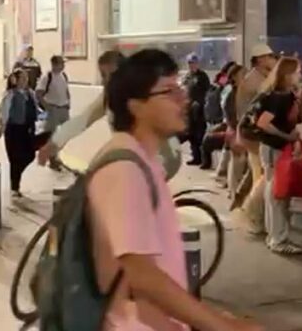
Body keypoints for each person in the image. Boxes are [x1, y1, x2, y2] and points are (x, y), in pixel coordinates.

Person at [87, 49, 262, 331]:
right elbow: (140, 275)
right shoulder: (124, 170)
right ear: (136, 106)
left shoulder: (144, 162)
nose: (184, 98)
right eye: (168, 91)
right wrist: (219, 325)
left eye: (179, 87)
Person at [37, 50, 184, 180]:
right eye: (103, 75)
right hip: (139, 155)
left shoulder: (139, 95)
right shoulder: (109, 96)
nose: (107, 80)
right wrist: (54, 143)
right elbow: (83, 120)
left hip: (163, 156)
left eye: (112, 74)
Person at [253, 56, 302, 255]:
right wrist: (287, 136)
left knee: (276, 192)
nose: (300, 76)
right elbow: (263, 123)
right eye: (297, 72)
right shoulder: (278, 97)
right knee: (277, 193)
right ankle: (278, 239)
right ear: (287, 74)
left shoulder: (285, 95)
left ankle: (275, 235)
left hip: (276, 148)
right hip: (273, 148)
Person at [236, 44, 278, 236]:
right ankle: (253, 216)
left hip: (252, 134)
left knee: (259, 175)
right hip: (254, 136)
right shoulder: (255, 81)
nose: (272, 59)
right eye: (269, 56)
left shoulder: (257, 77)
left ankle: (255, 216)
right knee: (261, 178)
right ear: (260, 59)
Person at [0, 69, 38, 197]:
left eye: (26, 78)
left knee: (30, 154)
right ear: (15, 80)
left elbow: (36, 109)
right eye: (22, 78)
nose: (26, 80)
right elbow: (4, 111)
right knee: (15, 158)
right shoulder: (10, 94)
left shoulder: (30, 93)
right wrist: (2, 126)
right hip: (14, 129)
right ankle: (15, 187)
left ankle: (17, 174)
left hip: (27, 128)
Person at [37, 55, 71, 169]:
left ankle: (55, 155)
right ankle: (52, 159)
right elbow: (38, 93)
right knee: (52, 135)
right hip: (53, 109)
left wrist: (68, 102)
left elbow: (66, 90)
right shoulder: (47, 77)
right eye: (61, 63)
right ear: (54, 64)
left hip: (63, 109)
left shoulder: (63, 76)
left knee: (65, 134)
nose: (63, 65)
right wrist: (47, 107)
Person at [182, 53, 212, 166]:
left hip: (200, 109)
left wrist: (199, 102)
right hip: (189, 109)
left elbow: (207, 92)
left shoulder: (202, 76)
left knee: (200, 134)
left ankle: (204, 159)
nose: (192, 65)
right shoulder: (187, 76)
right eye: (190, 63)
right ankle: (195, 157)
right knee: (191, 134)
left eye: (194, 63)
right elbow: (184, 89)